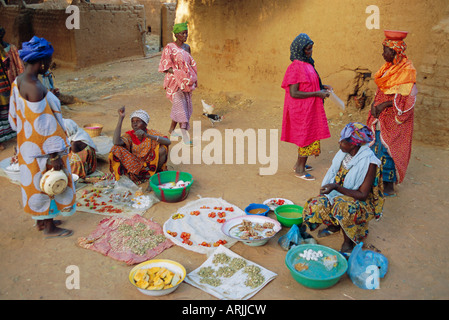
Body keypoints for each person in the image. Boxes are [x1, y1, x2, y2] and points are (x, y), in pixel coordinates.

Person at [8, 36, 76, 238]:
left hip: (28, 147)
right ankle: (49, 228)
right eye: (49, 61)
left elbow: (15, 118)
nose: (49, 65)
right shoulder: (36, 89)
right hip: (44, 151)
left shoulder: (19, 81)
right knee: (49, 184)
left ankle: (40, 222)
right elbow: (46, 128)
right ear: (41, 62)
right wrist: (54, 156)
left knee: (36, 183)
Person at [302, 122, 385, 254]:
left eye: (343, 141)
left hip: (360, 203)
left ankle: (348, 242)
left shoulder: (369, 163)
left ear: (353, 144)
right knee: (317, 203)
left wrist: (336, 187)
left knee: (343, 206)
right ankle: (334, 225)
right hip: (339, 195)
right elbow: (334, 176)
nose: (339, 142)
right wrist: (331, 188)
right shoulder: (343, 154)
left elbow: (363, 194)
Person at [367, 30, 417, 196]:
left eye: (385, 50)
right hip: (381, 117)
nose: (383, 53)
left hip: (395, 119)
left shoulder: (406, 71)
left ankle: (388, 186)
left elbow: (407, 98)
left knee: (390, 151)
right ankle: (375, 183)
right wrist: (375, 105)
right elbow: (381, 89)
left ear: (395, 51)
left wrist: (385, 105)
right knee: (376, 148)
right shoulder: (387, 68)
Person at [281, 33, 332, 181]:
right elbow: (294, 92)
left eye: (311, 49)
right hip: (302, 109)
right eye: (307, 49)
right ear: (300, 49)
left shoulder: (307, 63)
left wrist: (323, 87)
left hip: (310, 108)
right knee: (306, 137)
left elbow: (310, 83)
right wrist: (317, 93)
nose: (310, 52)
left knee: (310, 135)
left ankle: (299, 163)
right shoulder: (296, 67)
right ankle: (300, 169)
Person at [158, 21, 198, 145]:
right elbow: (165, 66)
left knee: (181, 106)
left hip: (186, 82)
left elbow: (191, 64)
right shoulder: (169, 47)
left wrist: (191, 77)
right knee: (181, 107)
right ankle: (185, 135)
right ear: (176, 34)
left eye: (186, 33)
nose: (185, 36)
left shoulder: (187, 48)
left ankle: (171, 130)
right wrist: (178, 73)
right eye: (182, 33)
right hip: (174, 82)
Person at [109, 107, 171, 184]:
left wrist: (147, 136)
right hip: (135, 166)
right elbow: (116, 142)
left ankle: (154, 175)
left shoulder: (151, 133)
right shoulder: (130, 135)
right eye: (133, 121)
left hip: (151, 165)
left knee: (163, 148)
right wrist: (121, 118)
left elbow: (168, 142)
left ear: (145, 124)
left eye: (138, 121)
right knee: (116, 148)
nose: (135, 124)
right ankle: (124, 176)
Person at [0, 26, 24, 150]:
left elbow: (18, 66)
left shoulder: (11, 49)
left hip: (8, 84)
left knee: (11, 107)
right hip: (3, 84)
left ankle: (14, 133)